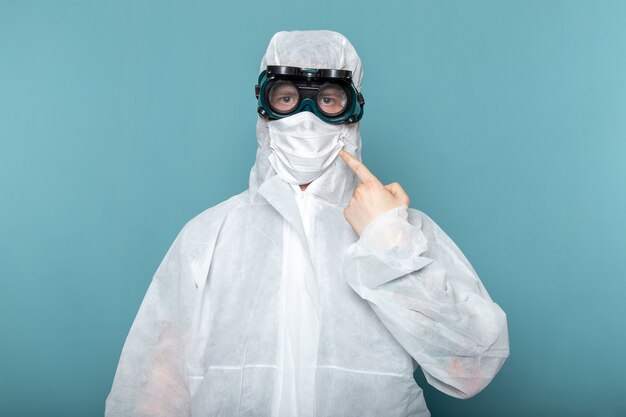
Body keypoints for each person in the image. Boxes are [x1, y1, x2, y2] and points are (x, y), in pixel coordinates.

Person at [104, 29, 509, 417]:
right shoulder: (208, 237)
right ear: (264, 108)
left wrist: (387, 241)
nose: (305, 115)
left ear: (353, 111)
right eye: (286, 97)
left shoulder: (402, 231)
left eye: (329, 99)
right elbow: (149, 393)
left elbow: (473, 365)